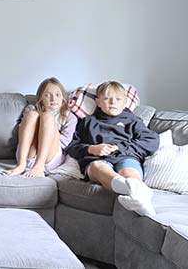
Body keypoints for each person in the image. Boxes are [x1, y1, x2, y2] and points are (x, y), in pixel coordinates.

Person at [65, 81, 159, 216]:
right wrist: (91, 149)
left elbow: (151, 140)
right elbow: (72, 146)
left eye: (118, 99)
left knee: (128, 172)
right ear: (98, 102)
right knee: (99, 167)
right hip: (97, 159)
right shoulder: (88, 121)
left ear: (125, 102)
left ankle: (138, 194)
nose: (113, 102)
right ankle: (139, 195)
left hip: (126, 156)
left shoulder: (133, 120)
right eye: (106, 98)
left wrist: (120, 147)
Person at [4, 77, 76, 177]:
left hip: (50, 157)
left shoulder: (69, 117)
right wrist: (38, 131)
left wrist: (47, 133)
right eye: (47, 95)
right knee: (32, 114)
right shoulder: (30, 109)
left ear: (63, 98)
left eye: (57, 95)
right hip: (28, 154)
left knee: (47, 116)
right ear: (41, 98)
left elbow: (64, 142)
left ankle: (39, 166)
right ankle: (21, 165)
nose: (53, 99)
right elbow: (22, 133)